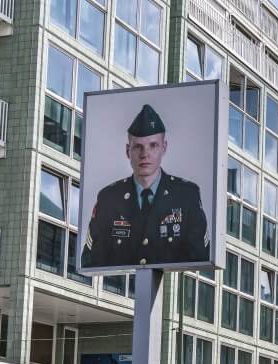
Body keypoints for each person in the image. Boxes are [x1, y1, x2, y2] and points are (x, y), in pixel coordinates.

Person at [81, 104, 210, 269]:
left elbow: (200, 259)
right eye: (138, 147)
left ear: (164, 148)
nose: (145, 154)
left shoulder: (186, 195)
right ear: (128, 151)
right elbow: (91, 262)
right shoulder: (108, 198)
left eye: (153, 145)